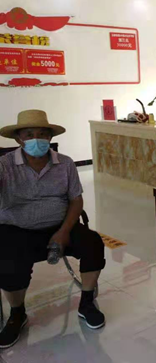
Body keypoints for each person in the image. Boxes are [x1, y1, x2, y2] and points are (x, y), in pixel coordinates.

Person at [0, 110, 106, 349]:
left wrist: (64, 231)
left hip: (61, 226)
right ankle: (17, 313)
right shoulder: (5, 165)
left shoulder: (65, 163)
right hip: (16, 228)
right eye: (29, 134)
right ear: (18, 139)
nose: (36, 139)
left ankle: (87, 302)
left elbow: (76, 200)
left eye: (41, 134)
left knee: (93, 243)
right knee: (8, 260)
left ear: (50, 137)